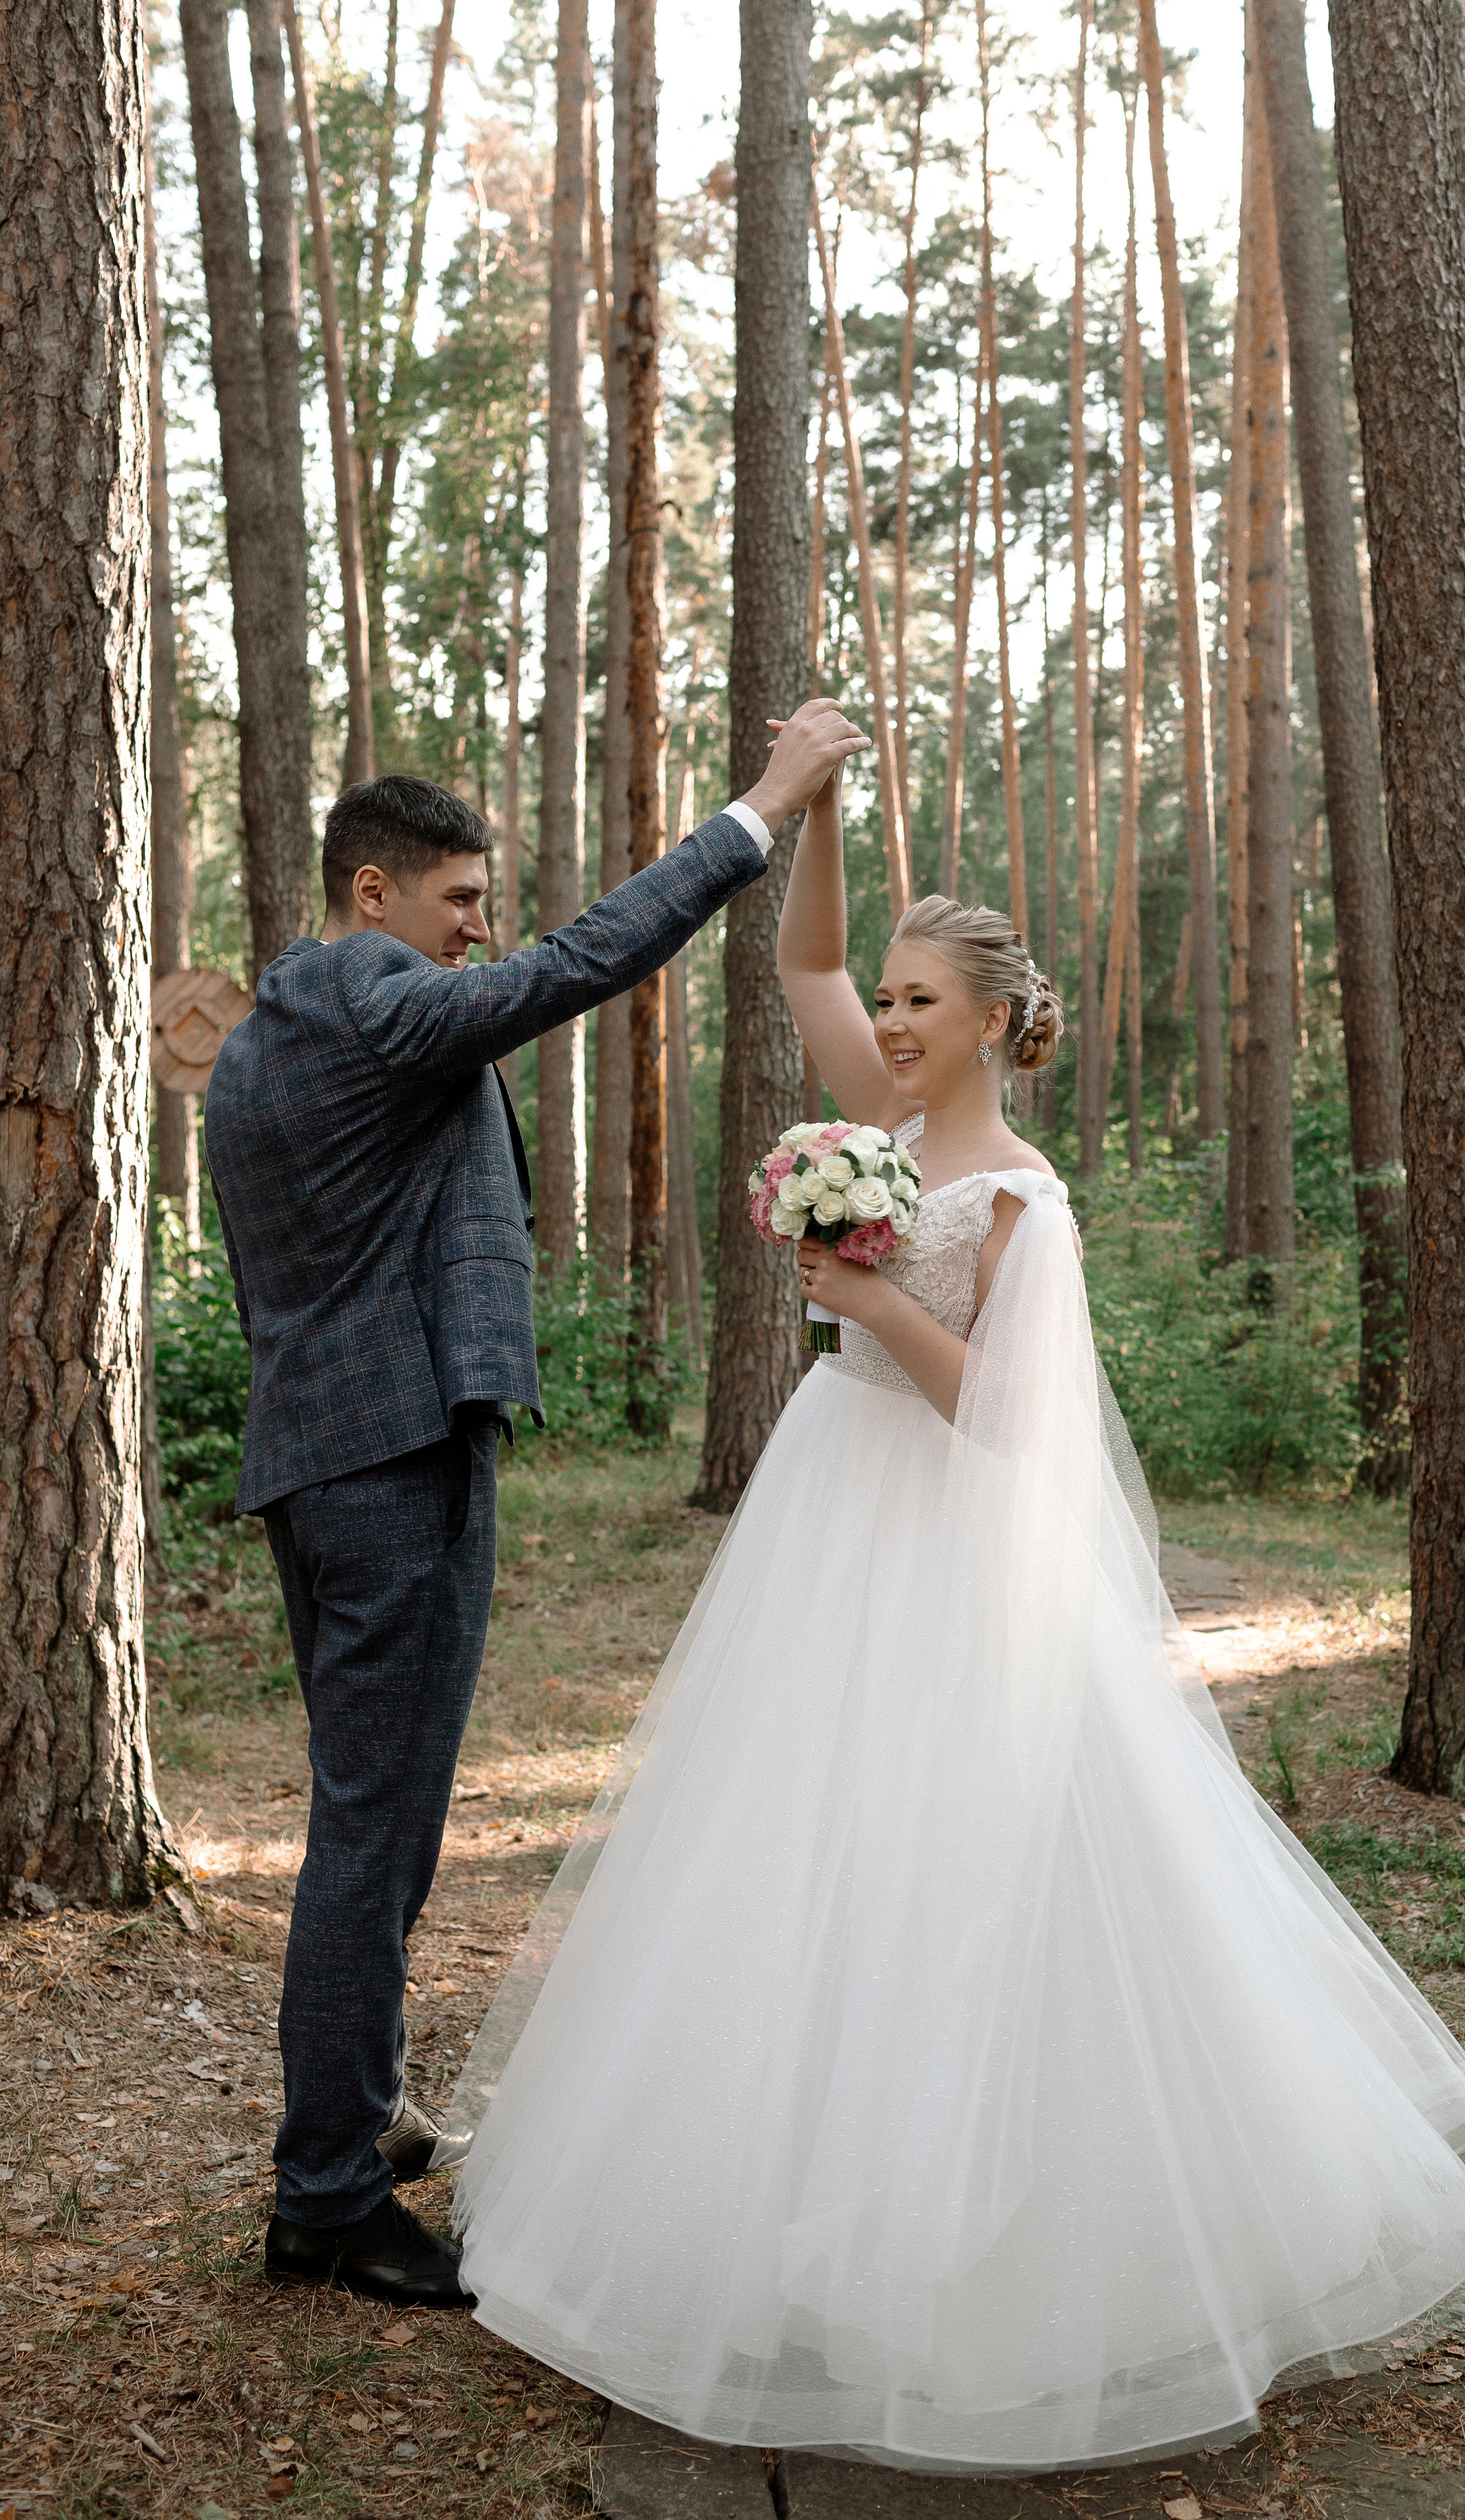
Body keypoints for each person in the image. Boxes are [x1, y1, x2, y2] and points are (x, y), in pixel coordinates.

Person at [444, 755, 1465, 2470]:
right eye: (892, 998)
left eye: (923, 1000)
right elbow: (798, 970)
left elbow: (1007, 1420)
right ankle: (765, 2222)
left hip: (944, 1540)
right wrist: (823, 822)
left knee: (952, 1871)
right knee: (791, 1852)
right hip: (831, 1513)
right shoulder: (869, 1121)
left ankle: (979, 2271)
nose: (891, 1017)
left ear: (1001, 1023)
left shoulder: (1022, 1200)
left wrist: (863, 1296)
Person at [202, 702, 868, 2310]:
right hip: (390, 1464)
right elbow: (573, 969)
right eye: (459, 902)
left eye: (481, 905)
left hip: (319, 1457)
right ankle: (325, 2199)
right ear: (375, 896)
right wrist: (760, 810)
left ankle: (349, 2124)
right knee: (373, 1834)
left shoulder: (263, 1035)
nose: (479, 932)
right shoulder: (371, 991)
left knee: (374, 1824)